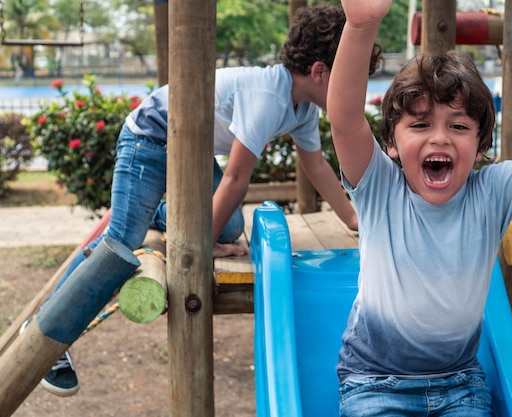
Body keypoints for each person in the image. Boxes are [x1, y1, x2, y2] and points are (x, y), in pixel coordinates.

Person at [29, 3, 382, 398]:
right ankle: (47, 327)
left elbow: (316, 167)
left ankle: (154, 213)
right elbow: (234, 178)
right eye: (353, 77)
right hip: (151, 137)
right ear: (319, 72)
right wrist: (197, 246)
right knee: (122, 239)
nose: (359, 91)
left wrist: (354, 220)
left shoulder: (301, 107)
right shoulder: (268, 94)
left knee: (230, 226)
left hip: (191, 150)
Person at [326, 0, 512, 416]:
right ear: (391, 143)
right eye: (420, 124)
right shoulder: (379, 187)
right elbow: (344, 121)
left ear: (481, 146)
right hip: (376, 383)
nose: (441, 138)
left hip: (459, 383)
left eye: (459, 126)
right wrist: (361, 24)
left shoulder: (492, 192)